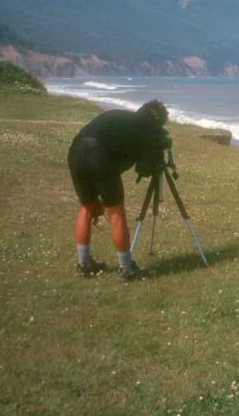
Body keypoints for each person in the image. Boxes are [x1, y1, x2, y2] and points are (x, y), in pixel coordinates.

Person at [67, 100, 170, 281]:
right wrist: (156, 153)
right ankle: (126, 269)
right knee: (115, 213)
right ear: (158, 121)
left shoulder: (124, 117)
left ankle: (84, 265)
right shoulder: (148, 128)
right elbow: (144, 170)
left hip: (76, 152)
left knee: (87, 207)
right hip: (99, 156)